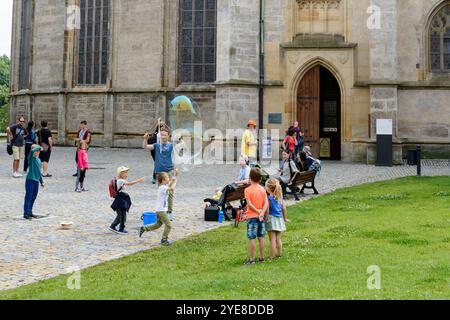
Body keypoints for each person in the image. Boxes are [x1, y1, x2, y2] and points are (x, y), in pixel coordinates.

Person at [143, 128, 176, 221]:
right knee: (162, 193)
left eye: (165, 135)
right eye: (161, 135)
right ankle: (162, 212)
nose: (163, 136)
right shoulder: (156, 145)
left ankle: (169, 212)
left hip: (169, 171)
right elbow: (145, 147)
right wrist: (145, 139)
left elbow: (180, 150)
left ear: (168, 136)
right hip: (159, 173)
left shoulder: (171, 145)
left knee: (170, 192)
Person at [139, 172, 177, 246]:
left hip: (160, 210)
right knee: (169, 225)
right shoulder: (163, 188)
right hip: (161, 211)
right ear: (163, 180)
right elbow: (171, 189)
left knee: (158, 224)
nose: (168, 179)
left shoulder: (163, 187)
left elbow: (169, 186)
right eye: (167, 178)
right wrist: (175, 182)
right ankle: (164, 240)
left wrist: (172, 181)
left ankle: (144, 228)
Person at [109, 167, 145, 235]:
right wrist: (139, 180)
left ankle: (113, 226)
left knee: (120, 216)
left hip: (121, 200)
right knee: (122, 216)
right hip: (120, 201)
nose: (127, 174)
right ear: (120, 174)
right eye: (125, 172)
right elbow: (130, 183)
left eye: (127, 172)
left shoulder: (120, 180)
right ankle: (121, 229)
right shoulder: (120, 180)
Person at [244, 168, 268, 265]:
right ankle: (262, 257)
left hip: (252, 216)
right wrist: (262, 212)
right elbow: (266, 202)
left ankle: (252, 259)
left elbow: (249, 204)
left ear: (250, 178)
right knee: (261, 237)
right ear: (260, 179)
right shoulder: (262, 189)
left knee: (252, 238)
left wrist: (257, 211)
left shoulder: (247, 190)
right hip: (261, 217)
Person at [265, 178, 288, 260]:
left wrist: (266, 218)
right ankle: (279, 254)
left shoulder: (269, 198)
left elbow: (267, 210)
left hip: (271, 219)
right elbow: (284, 208)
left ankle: (271, 256)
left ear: (268, 188)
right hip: (280, 219)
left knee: (272, 239)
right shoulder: (280, 197)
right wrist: (285, 219)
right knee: (278, 238)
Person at [23, 145, 45, 220]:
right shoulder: (31, 159)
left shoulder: (39, 160)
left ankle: (30, 212)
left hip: (36, 181)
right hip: (30, 180)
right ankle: (26, 213)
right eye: (36, 150)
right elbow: (32, 151)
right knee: (28, 197)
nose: (37, 151)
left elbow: (39, 172)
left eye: (38, 150)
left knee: (33, 197)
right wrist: (38, 147)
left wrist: (41, 182)